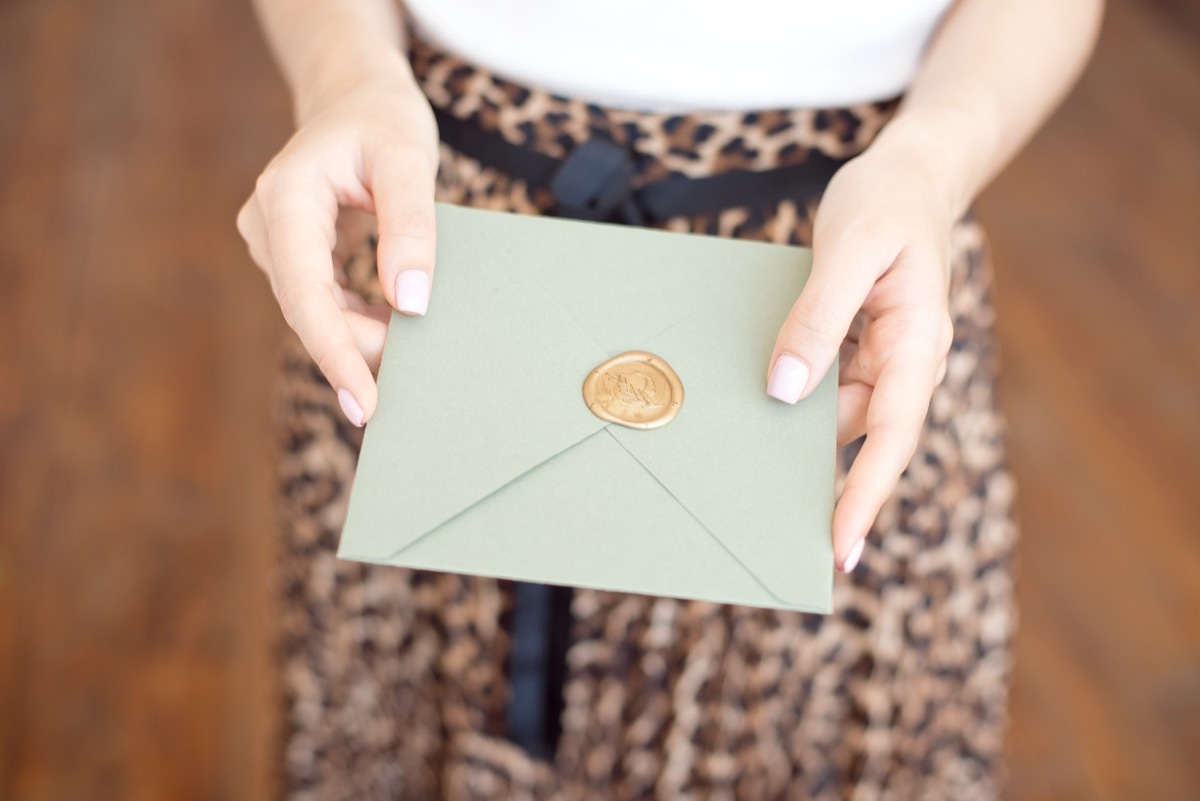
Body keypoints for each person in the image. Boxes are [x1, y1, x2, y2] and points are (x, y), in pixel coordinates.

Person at [237, 1, 1101, 798]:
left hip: (845, 283)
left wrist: (931, 167)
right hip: (439, 248)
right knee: (400, 703)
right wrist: (343, 77)